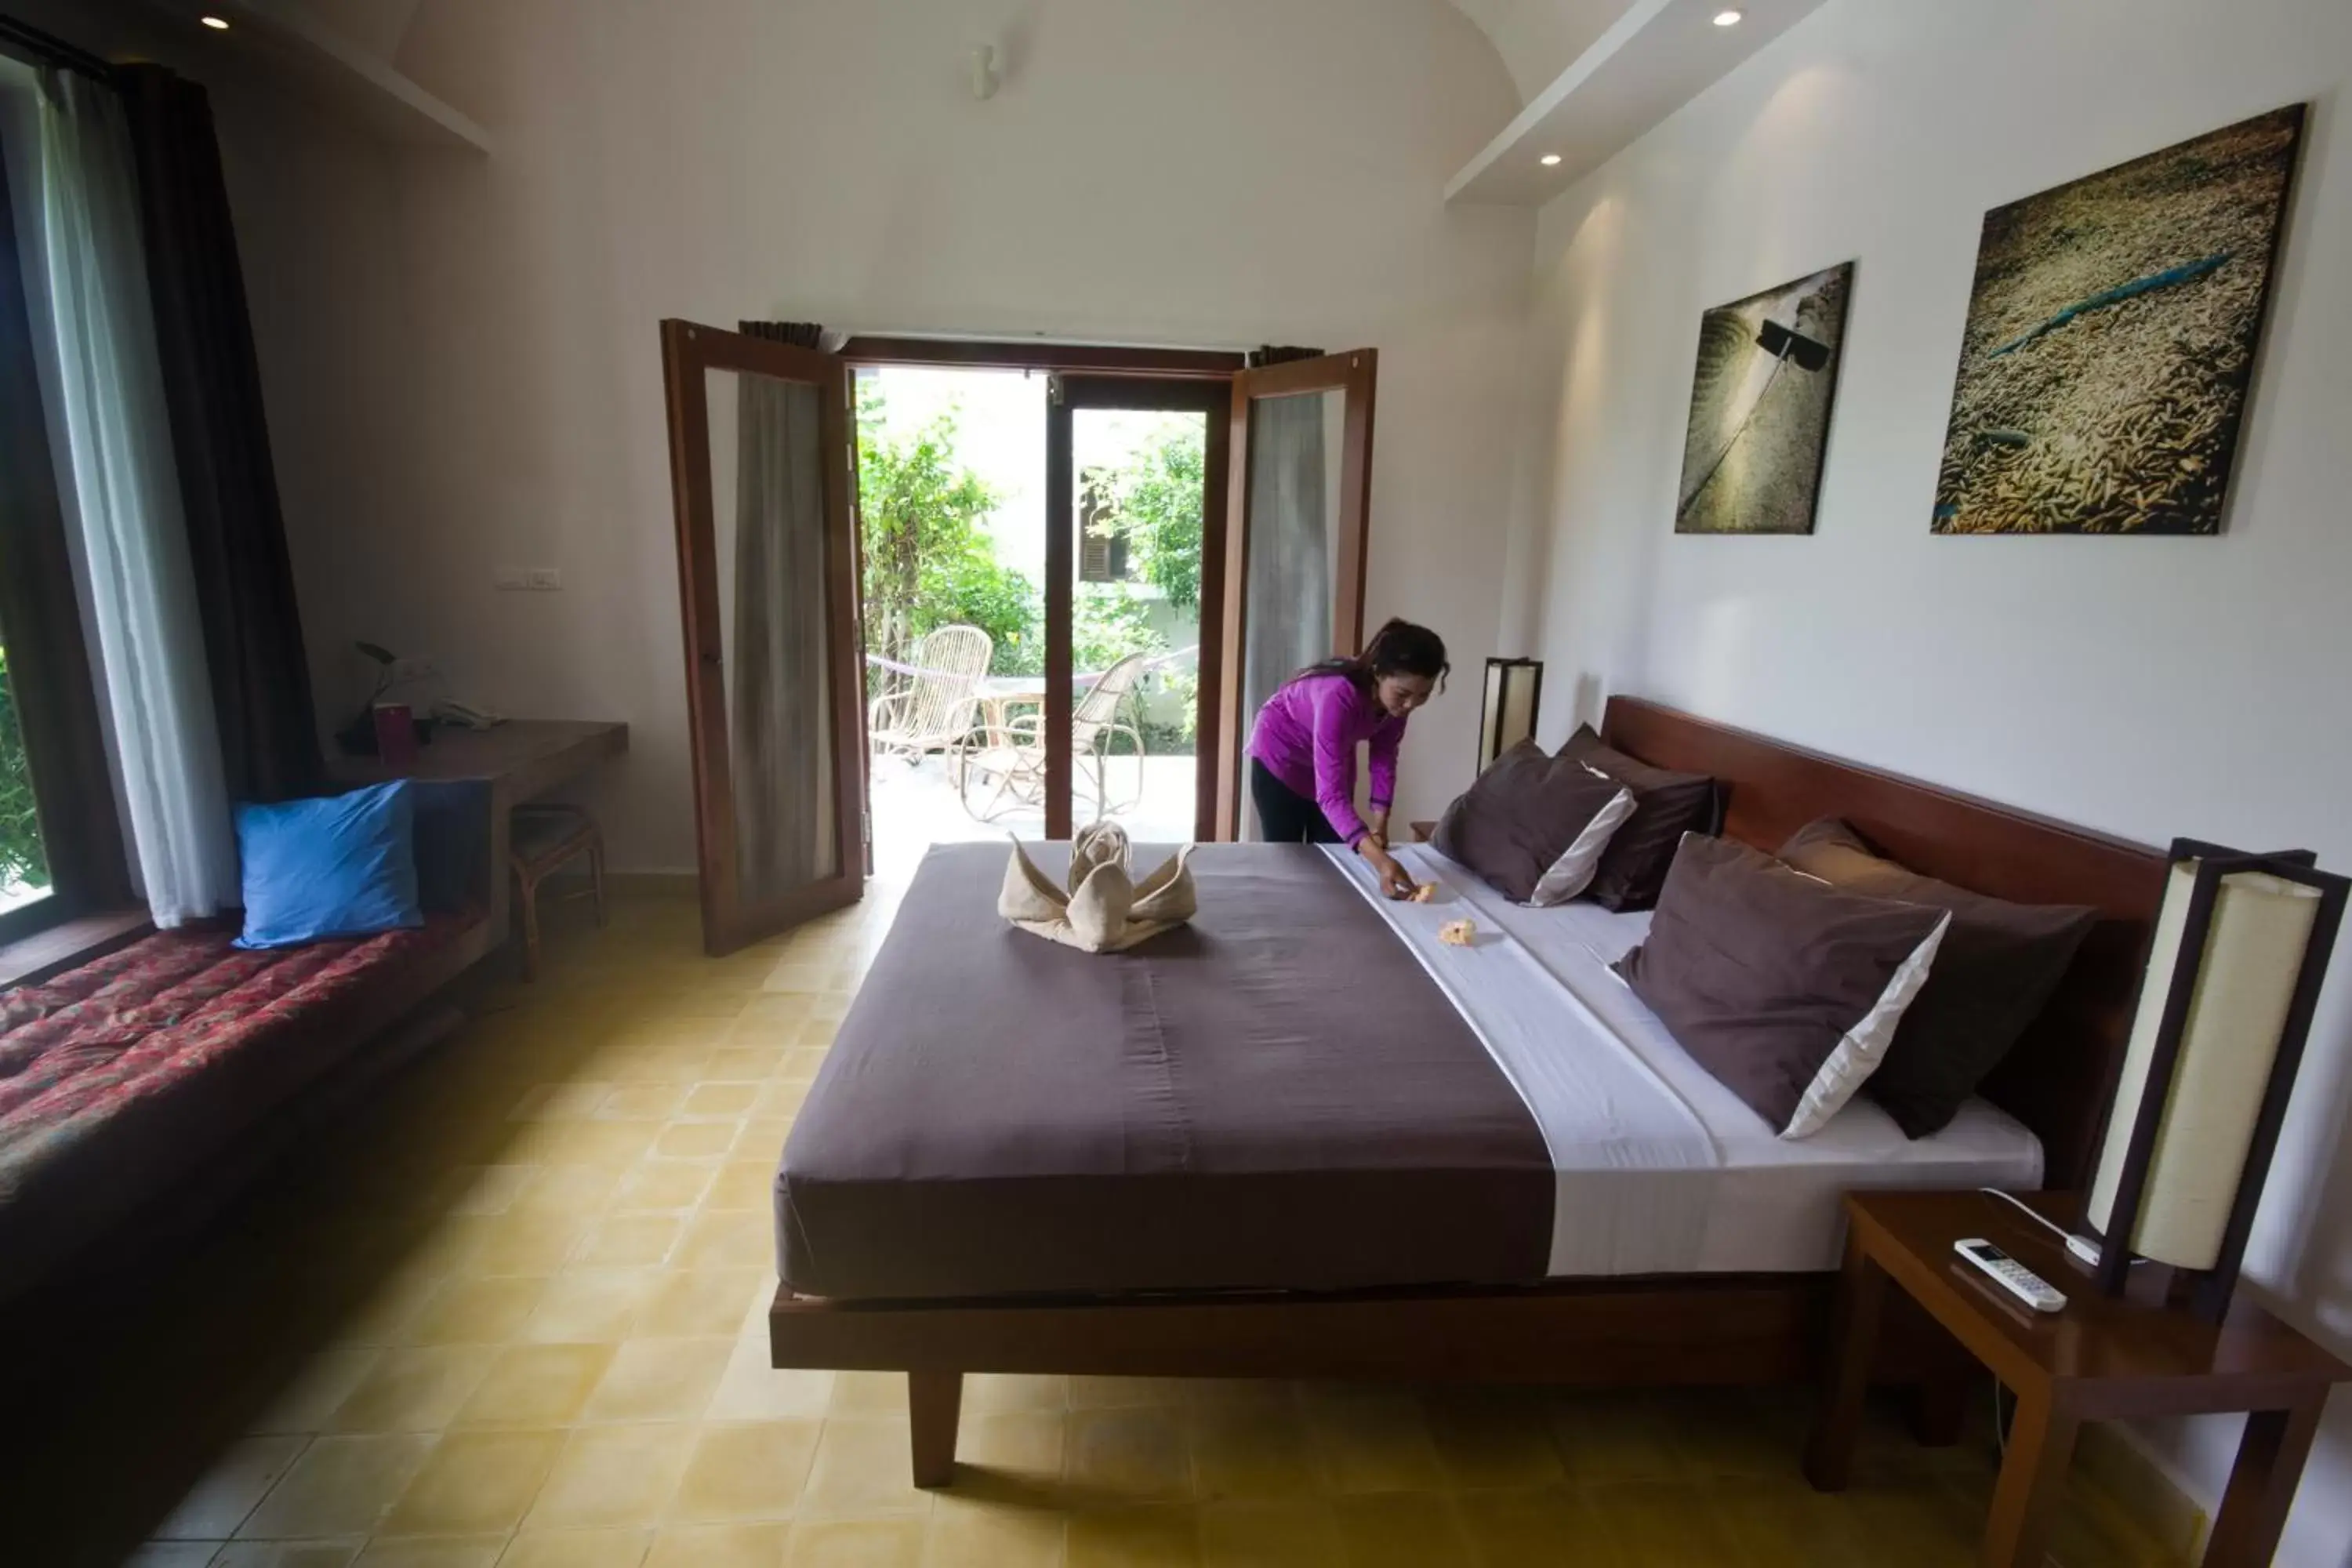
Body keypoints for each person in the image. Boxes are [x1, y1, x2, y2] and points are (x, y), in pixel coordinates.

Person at [1246, 618, 1447, 898]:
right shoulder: (1338, 696)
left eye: (1422, 695)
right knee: (1288, 859)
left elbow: (1383, 758)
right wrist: (1381, 862)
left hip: (1331, 754)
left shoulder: (1397, 708)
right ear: (1378, 673)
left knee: (1336, 857)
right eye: (1403, 694)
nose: (1410, 705)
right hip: (1281, 755)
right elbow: (1330, 796)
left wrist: (1380, 827)